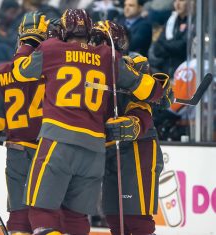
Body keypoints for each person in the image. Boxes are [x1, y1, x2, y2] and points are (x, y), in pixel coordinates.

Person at [12, 9, 167, 234]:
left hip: (59, 140)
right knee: (77, 218)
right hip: (95, 150)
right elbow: (150, 90)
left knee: (41, 213)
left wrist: (28, 40)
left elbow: (20, 72)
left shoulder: (52, 48)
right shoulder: (107, 56)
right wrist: (162, 90)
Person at [89, 20, 170, 235]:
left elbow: (143, 105)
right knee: (114, 217)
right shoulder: (84, 68)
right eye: (94, 40)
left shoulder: (133, 62)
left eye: (101, 40)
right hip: (108, 150)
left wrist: (134, 123)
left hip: (138, 149)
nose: (96, 45)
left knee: (137, 218)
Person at [0, 12, 49, 234]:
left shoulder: (2, 73)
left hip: (18, 150)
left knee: (19, 217)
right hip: (48, 151)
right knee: (48, 215)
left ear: (19, 40)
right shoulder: (53, 70)